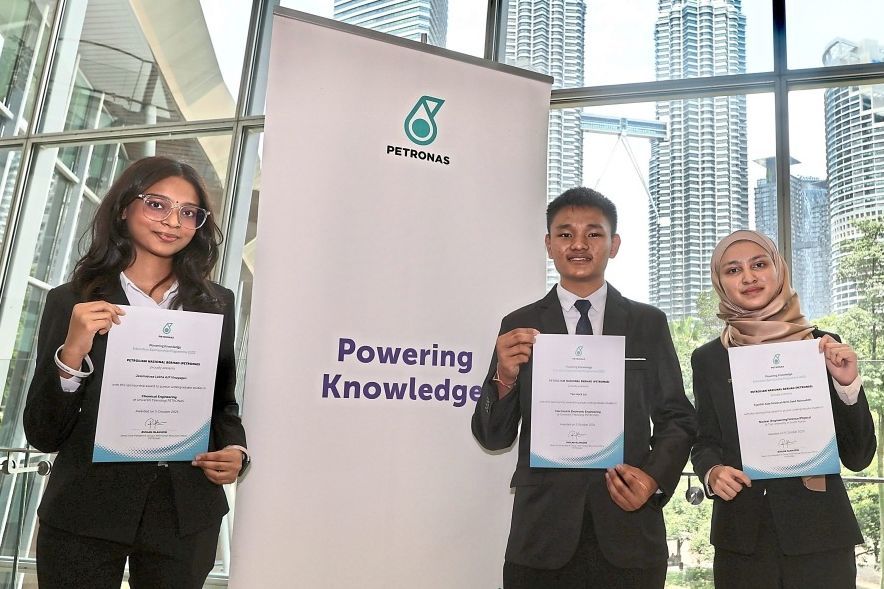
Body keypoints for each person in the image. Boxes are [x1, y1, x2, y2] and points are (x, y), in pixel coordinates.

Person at [24, 156, 249, 588]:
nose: (173, 222)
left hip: (184, 513)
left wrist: (235, 451)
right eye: (157, 205)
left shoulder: (217, 302)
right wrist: (72, 353)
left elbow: (222, 402)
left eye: (189, 212)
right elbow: (43, 433)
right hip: (85, 510)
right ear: (124, 208)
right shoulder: (72, 301)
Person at [472, 187, 697, 588]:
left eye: (593, 233)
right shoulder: (519, 324)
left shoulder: (647, 323)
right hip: (541, 536)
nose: (578, 244)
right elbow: (493, 436)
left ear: (614, 245)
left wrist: (652, 479)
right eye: (565, 234)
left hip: (629, 529)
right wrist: (504, 377)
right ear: (549, 245)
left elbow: (677, 418)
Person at [691, 230, 875, 589]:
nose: (748, 277)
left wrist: (847, 385)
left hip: (822, 537)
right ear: (720, 282)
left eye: (759, 264)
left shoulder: (823, 347)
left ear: (779, 269)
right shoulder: (709, 359)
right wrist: (712, 471)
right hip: (742, 541)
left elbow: (859, 456)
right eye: (733, 270)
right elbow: (704, 440)